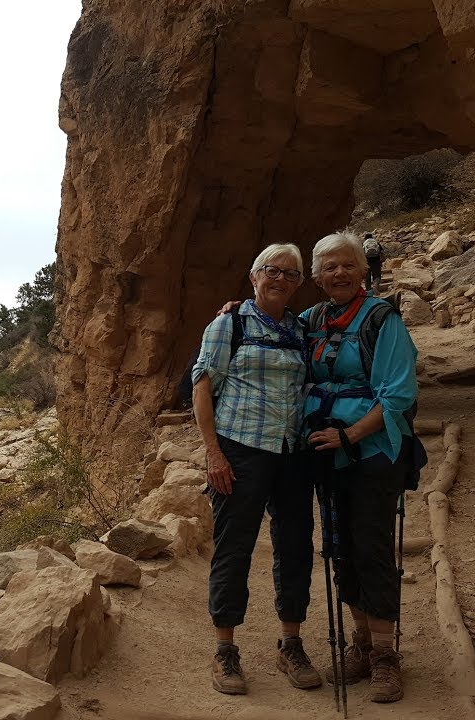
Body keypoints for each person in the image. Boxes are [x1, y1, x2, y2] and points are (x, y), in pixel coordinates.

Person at [191, 243, 322, 696]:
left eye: (291, 273)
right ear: (253, 276)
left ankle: (291, 643)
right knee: (234, 547)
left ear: (299, 283)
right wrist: (213, 453)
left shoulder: (302, 329)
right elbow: (203, 389)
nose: (280, 279)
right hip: (240, 449)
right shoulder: (229, 324)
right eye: (272, 270)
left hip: (292, 452)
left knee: (295, 545)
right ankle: (225, 650)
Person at [300, 230, 418, 703]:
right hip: (328, 454)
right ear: (316, 276)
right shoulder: (311, 320)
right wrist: (234, 309)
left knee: (371, 544)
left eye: (348, 264)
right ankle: (362, 642)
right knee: (339, 545)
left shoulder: (382, 320)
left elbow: (398, 394)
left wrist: (350, 434)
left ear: (364, 269)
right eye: (329, 266)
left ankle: (387, 655)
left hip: (373, 452)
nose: (339, 273)